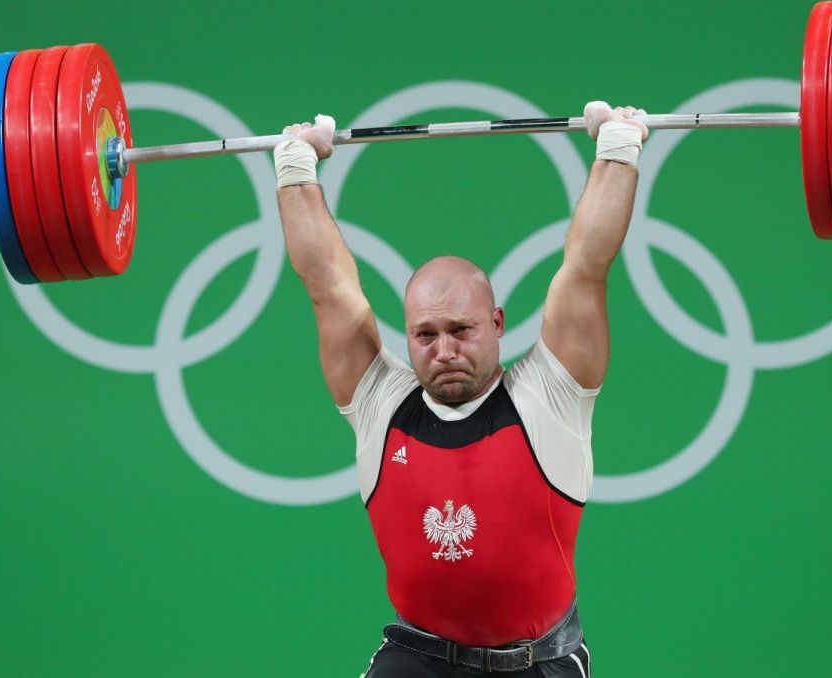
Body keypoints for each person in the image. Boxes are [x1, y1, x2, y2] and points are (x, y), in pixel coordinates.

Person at [273, 101, 647, 677]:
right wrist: (296, 168)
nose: (443, 351)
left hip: (537, 665)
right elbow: (327, 284)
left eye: (461, 330)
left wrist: (617, 151)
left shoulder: (550, 394)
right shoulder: (382, 404)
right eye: (425, 334)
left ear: (496, 324)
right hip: (418, 660)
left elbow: (586, 264)